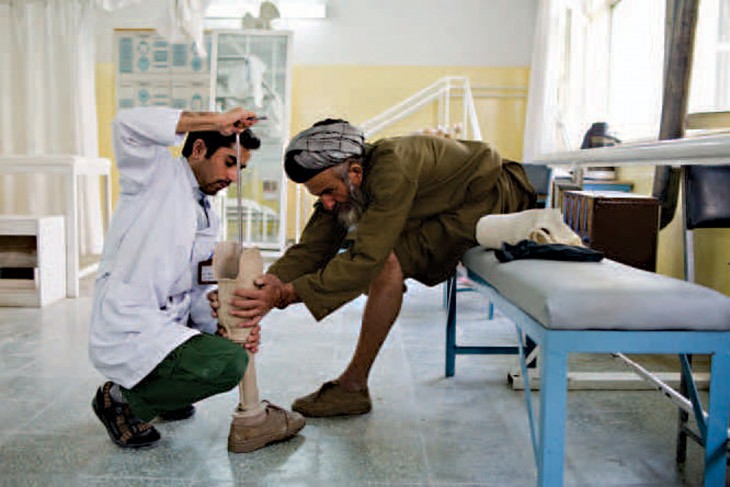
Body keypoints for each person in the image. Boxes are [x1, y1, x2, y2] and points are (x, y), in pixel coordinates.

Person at [225, 118, 536, 417]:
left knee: (386, 262)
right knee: (382, 256)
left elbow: (367, 258)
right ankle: (354, 386)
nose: (327, 203)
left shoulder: (392, 169)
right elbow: (312, 247)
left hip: (494, 195)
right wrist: (264, 287)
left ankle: (353, 386)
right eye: (320, 196)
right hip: (454, 199)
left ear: (356, 172)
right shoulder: (346, 177)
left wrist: (286, 295)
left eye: (328, 192)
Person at [88, 106, 304, 449]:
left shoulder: (206, 215)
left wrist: (225, 327)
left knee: (225, 349)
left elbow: (199, 291)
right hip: (129, 325)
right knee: (228, 365)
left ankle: (162, 394)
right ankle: (120, 400)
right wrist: (215, 121)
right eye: (229, 162)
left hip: (165, 326)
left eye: (241, 169)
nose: (235, 177)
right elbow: (126, 124)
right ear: (199, 149)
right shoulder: (152, 177)